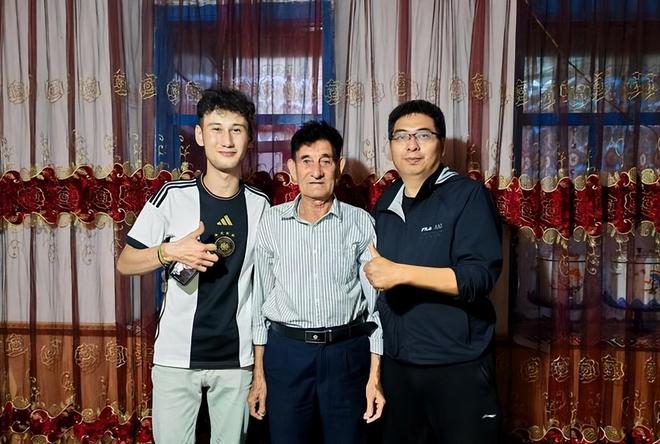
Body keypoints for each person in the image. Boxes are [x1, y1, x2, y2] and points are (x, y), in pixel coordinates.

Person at [117, 87, 269, 444]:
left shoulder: (262, 206)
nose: (226, 140)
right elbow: (126, 262)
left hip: (236, 361)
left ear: (249, 139)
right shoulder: (172, 196)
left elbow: (265, 290)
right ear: (200, 135)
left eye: (236, 129)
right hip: (175, 357)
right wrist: (169, 252)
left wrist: (260, 368)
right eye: (216, 129)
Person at [364, 100, 502, 444]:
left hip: (457, 365)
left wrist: (401, 273)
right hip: (399, 365)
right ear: (390, 146)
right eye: (401, 136)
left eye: (423, 135)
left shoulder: (468, 195)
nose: (411, 146)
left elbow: (478, 277)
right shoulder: (385, 202)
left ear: (440, 143)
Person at [248, 120, 385, 444]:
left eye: (326, 160)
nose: (316, 171)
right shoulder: (271, 221)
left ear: (339, 166)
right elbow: (259, 303)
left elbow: (376, 307)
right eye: (306, 161)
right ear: (292, 169)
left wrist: (375, 376)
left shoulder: (360, 222)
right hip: (287, 354)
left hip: (346, 353)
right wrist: (259, 375)